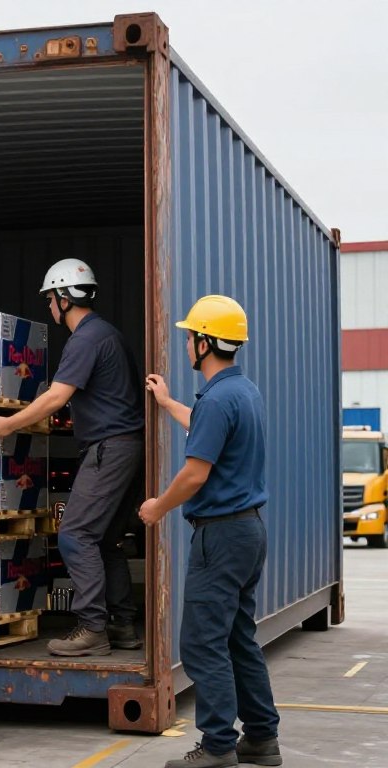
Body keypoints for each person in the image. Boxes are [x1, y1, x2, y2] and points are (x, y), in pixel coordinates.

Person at [141, 295, 282, 768]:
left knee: (202, 642)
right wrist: (166, 403)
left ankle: (219, 745)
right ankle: (261, 738)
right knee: (238, 637)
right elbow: (206, 427)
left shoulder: (219, 398)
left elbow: (196, 473)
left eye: (189, 336)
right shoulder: (242, 391)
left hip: (220, 538)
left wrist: (158, 507)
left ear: (203, 342)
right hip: (248, 533)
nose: (185, 343)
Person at [0, 258, 144, 656]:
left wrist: (8, 424)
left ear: (62, 298)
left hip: (110, 447)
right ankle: (123, 625)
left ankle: (92, 628)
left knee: (74, 535)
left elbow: (57, 396)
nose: (49, 308)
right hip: (127, 447)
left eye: (49, 300)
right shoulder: (107, 334)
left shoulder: (86, 338)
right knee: (106, 539)